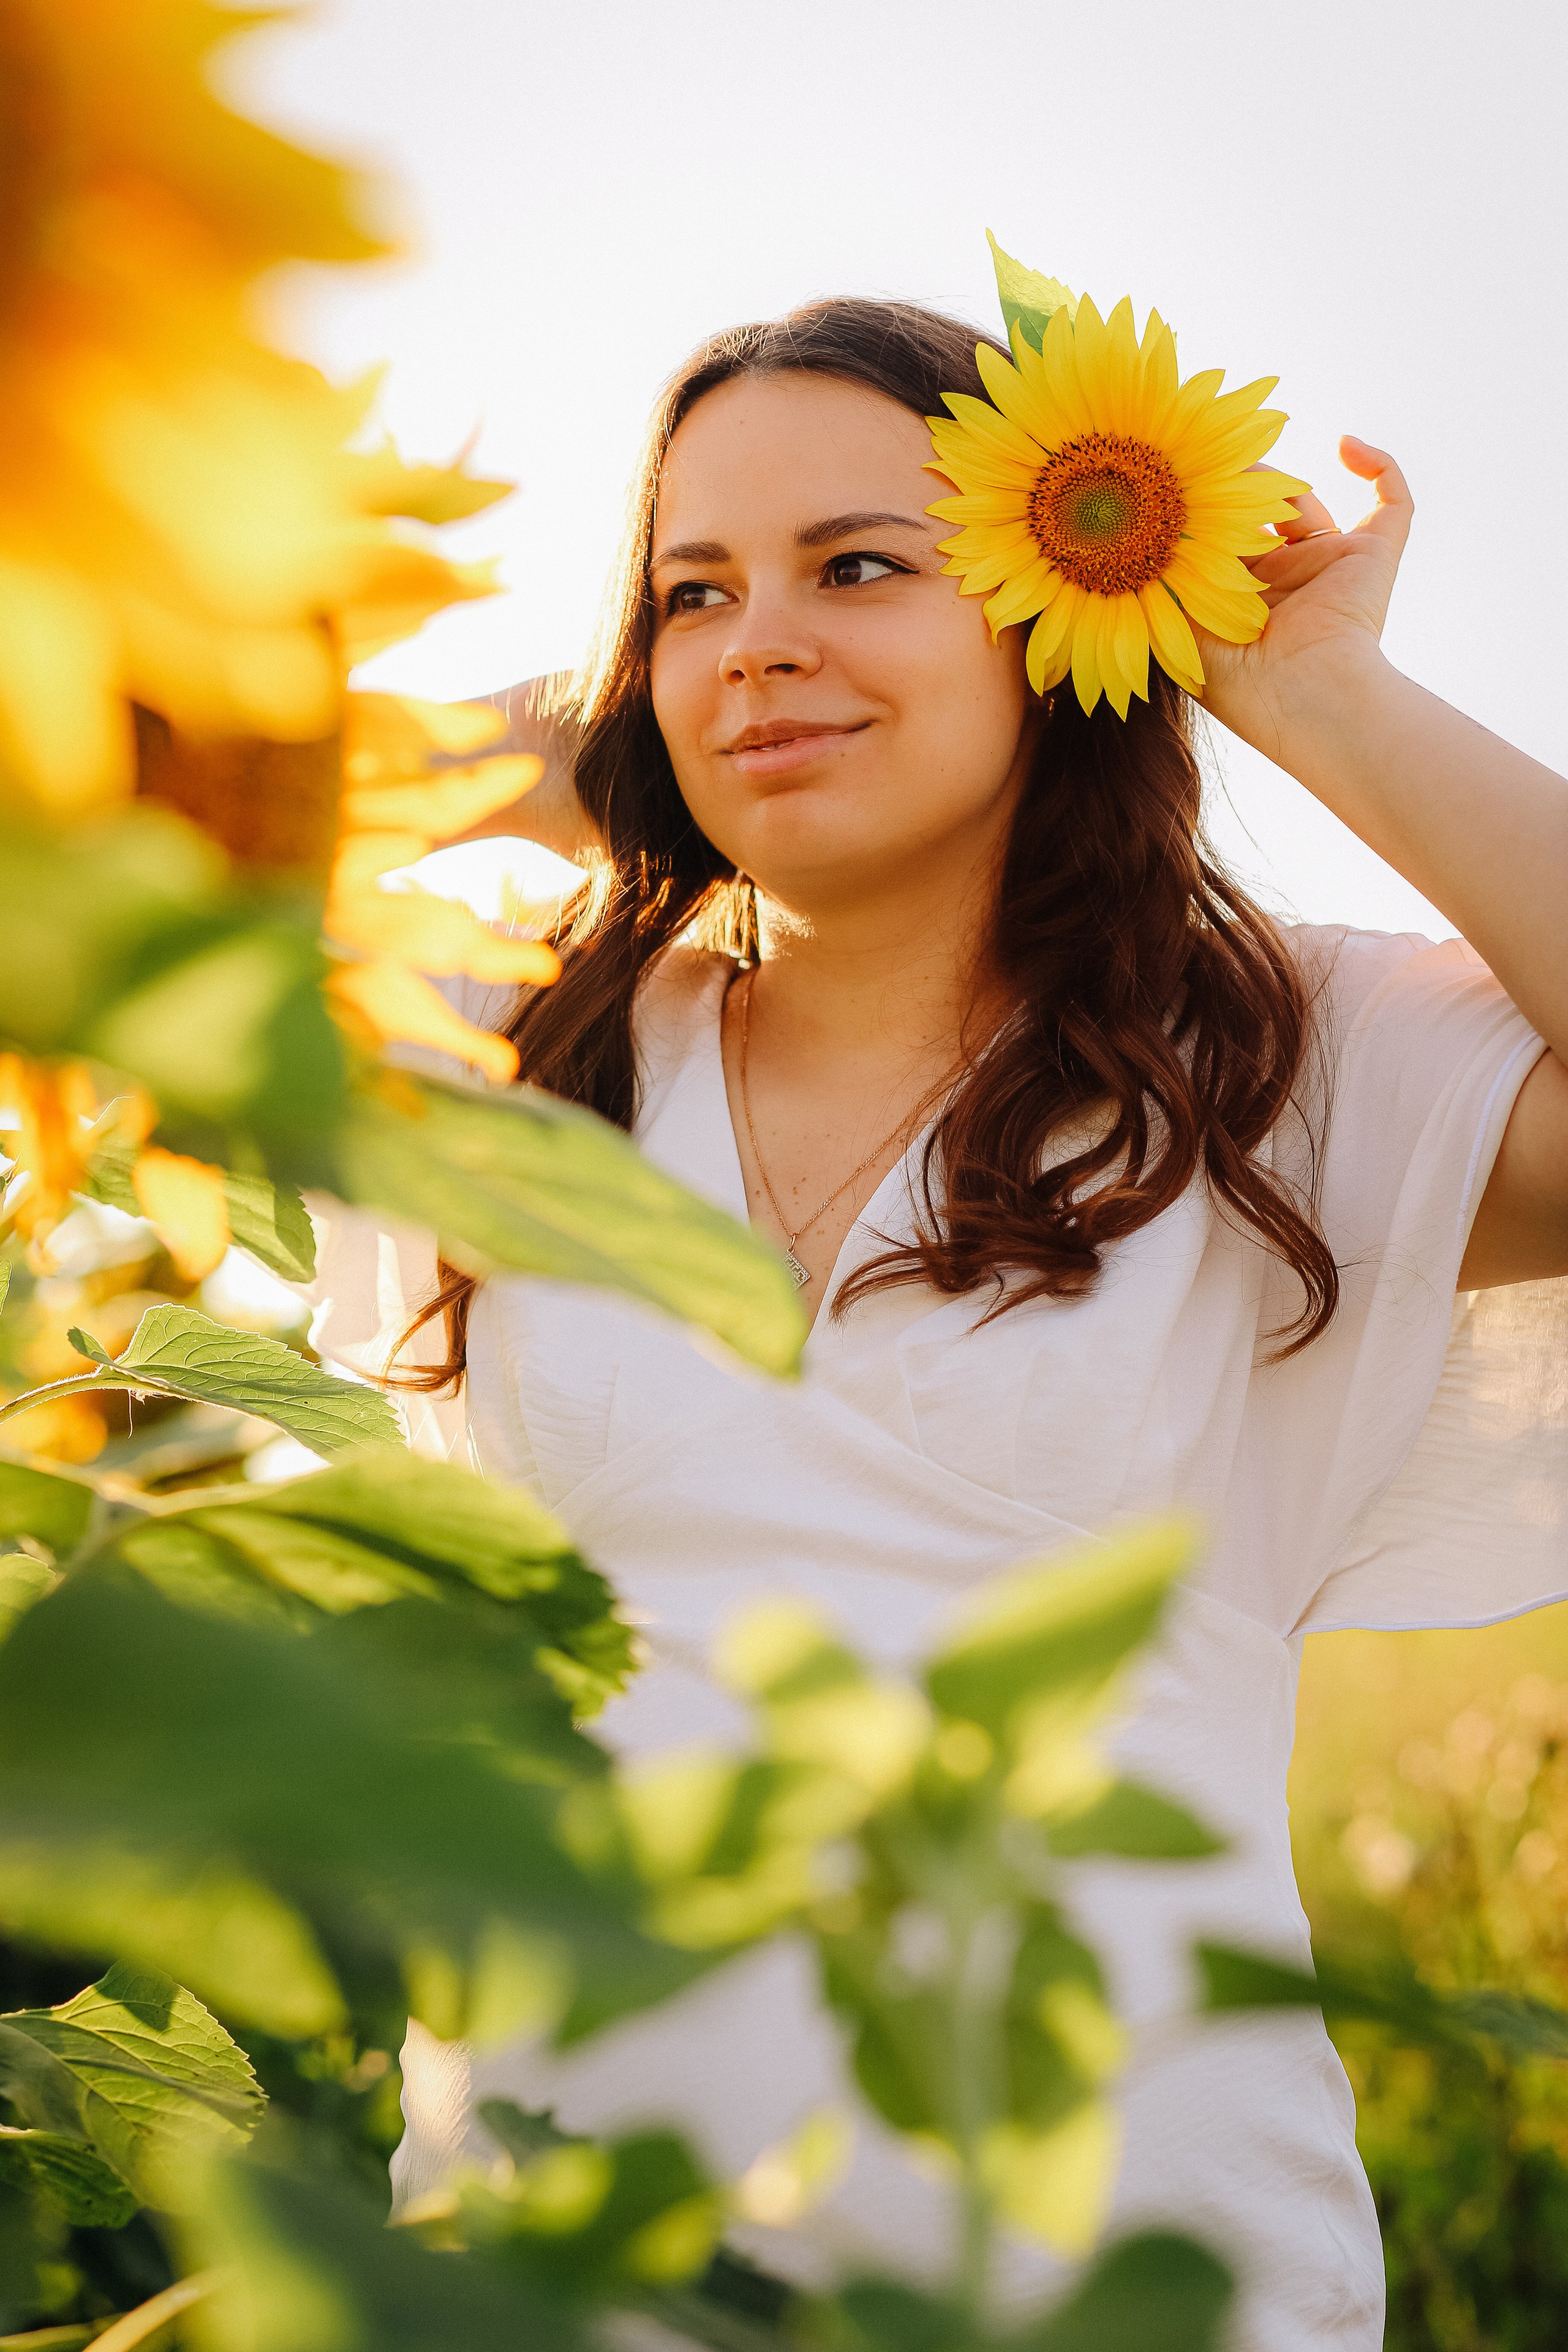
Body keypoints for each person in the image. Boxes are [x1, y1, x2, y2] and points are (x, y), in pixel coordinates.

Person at [303, 296, 1568, 2350]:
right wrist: (570, 734)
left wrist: (1317, 690)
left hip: (1132, 2285)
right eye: (691, 589)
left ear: (1048, 611)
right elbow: (87, 856)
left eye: (864, 565)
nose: (760, 642)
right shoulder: (509, 1052)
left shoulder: (1276, 1063)